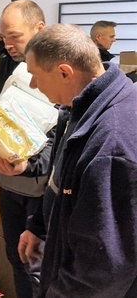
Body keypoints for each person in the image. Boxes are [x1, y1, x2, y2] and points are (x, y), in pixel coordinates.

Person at [19, 24, 137, 297]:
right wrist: (39, 227)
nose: (34, 85)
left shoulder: (111, 143)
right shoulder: (81, 107)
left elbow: (105, 269)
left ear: (64, 72)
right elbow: (60, 179)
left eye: (36, 76)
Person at [0, 0, 53, 298]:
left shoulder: (57, 74)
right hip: (9, 185)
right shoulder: (9, 65)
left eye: (14, 36)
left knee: (37, 266)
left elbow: (59, 141)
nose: (8, 44)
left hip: (39, 194)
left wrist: (28, 165)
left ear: (39, 29)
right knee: (15, 259)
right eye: (3, 37)